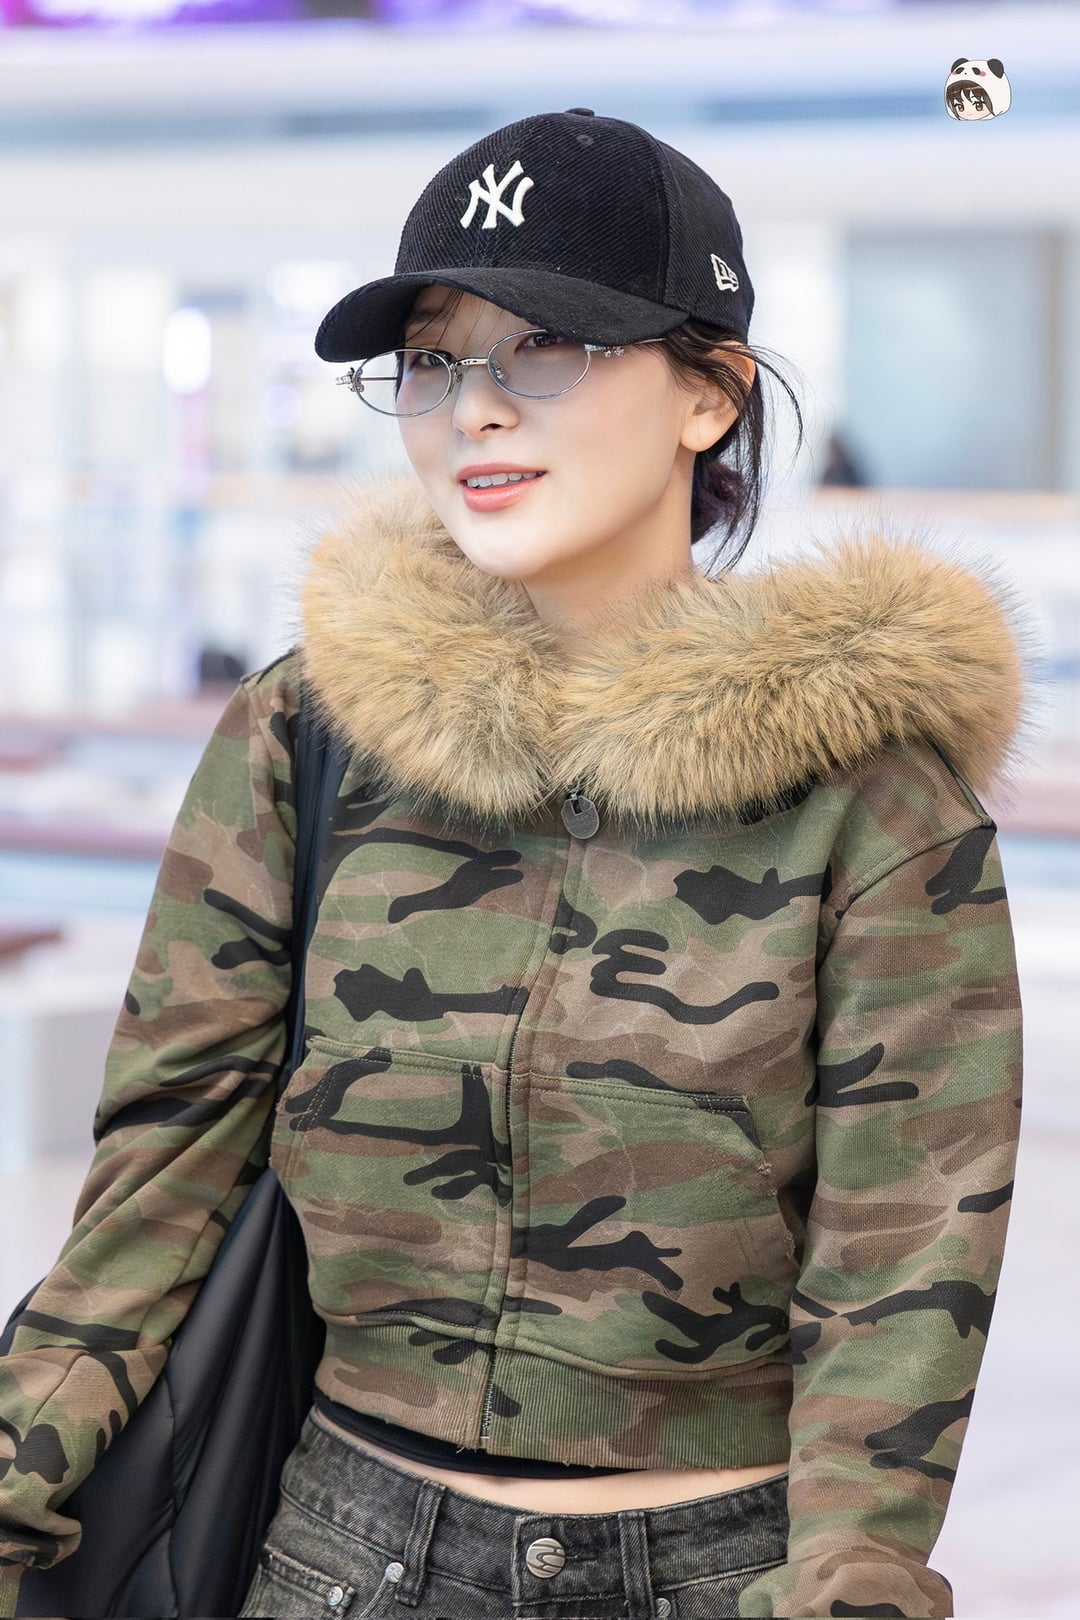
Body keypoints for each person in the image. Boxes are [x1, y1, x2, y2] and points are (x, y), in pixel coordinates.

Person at [0, 109, 1036, 1620]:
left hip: (712, 1569)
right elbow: (171, 1154)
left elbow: (903, 1268)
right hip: (337, 1554)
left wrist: (850, 1586)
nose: (473, 410)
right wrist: (19, 1472)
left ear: (711, 395)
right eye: (431, 361)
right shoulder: (311, 731)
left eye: (545, 347)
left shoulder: (869, 798)